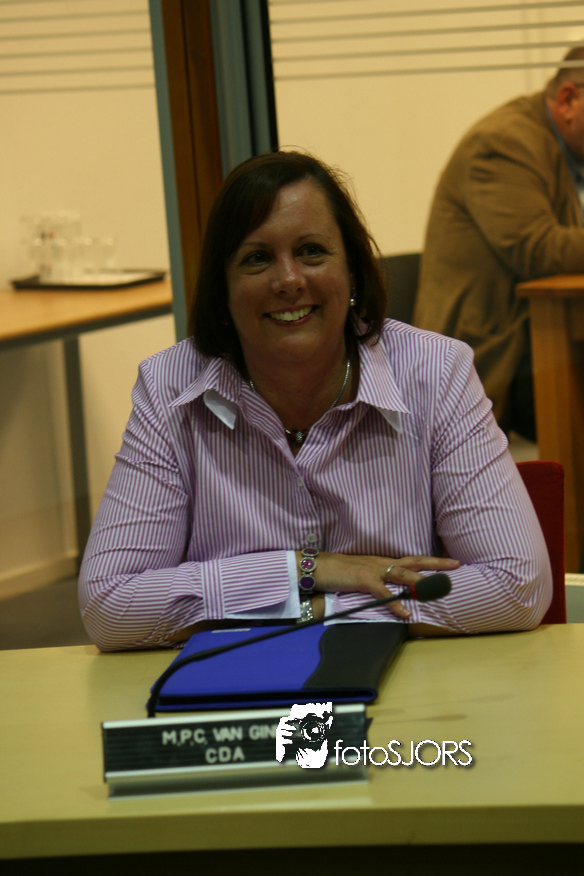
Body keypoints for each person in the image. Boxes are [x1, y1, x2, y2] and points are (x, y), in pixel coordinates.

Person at [79, 150, 551, 652]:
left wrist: (322, 609)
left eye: (311, 251)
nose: (288, 280)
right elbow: (110, 604)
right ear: (224, 287)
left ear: (353, 271)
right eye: (257, 258)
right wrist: (307, 570)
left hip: (408, 683)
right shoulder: (170, 388)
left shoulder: (436, 372)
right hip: (234, 686)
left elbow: (516, 585)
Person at [413, 46, 584, 441]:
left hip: (538, 338)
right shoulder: (504, 143)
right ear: (568, 100)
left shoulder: (565, 148)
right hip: (489, 355)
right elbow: (540, 249)